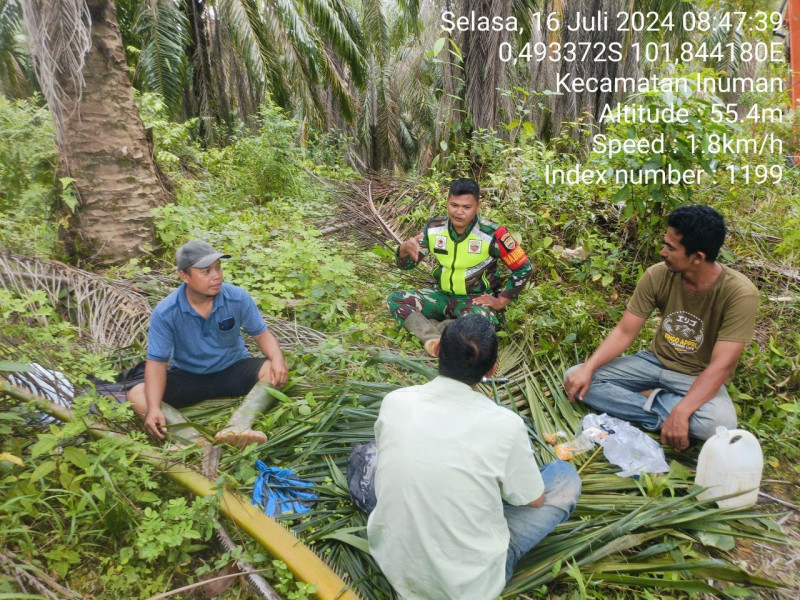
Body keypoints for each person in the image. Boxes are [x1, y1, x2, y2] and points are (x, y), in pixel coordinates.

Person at [367, 314, 581, 600]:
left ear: (438, 350)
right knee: (564, 477)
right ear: (492, 370)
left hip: (392, 562)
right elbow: (534, 501)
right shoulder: (505, 425)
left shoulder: (396, 401)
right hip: (468, 587)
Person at [564, 205, 759, 451]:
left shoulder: (739, 293)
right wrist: (589, 368)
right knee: (577, 377)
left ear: (697, 257)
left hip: (697, 376)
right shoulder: (658, 275)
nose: (662, 251)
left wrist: (685, 408)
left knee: (718, 425)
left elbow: (722, 365)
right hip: (654, 363)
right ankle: (665, 414)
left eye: (671, 247)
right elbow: (625, 331)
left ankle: (655, 401)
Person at [126, 240, 288, 443]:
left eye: (218, 268)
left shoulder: (237, 298)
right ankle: (190, 439)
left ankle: (239, 426)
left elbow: (262, 335)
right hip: (189, 378)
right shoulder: (166, 313)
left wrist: (278, 358)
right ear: (184, 276)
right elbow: (157, 363)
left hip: (233, 370)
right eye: (206, 271)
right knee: (137, 394)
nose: (216, 276)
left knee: (274, 368)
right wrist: (154, 408)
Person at [388, 178, 532, 356]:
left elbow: (523, 267)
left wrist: (500, 301)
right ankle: (433, 338)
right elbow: (407, 265)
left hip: (474, 301)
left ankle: (438, 326)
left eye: (466, 207)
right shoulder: (434, 229)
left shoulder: (492, 234)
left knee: (480, 325)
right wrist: (403, 250)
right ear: (447, 202)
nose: (459, 212)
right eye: (454, 205)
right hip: (441, 296)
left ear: (478, 206)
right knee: (397, 299)